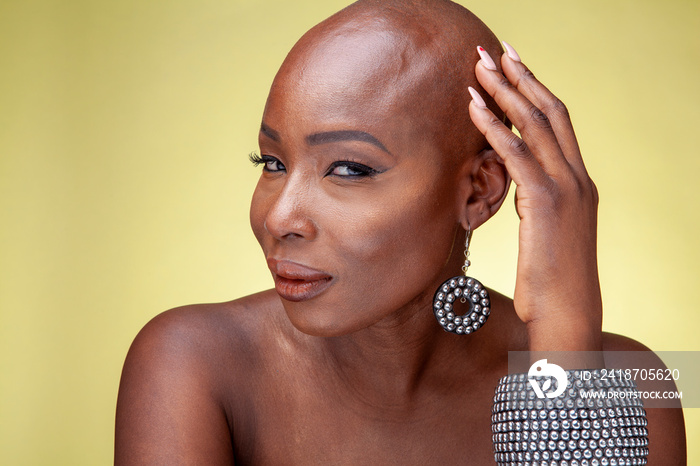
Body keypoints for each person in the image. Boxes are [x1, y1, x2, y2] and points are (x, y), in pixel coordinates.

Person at [114, 0, 686, 464]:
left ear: (480, 191)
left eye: (349, 168)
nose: (278, 218)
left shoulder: (631, 384)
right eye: (271, 163)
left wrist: (566, 329)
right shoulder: (191, 361)